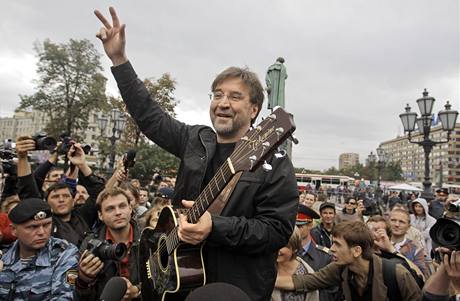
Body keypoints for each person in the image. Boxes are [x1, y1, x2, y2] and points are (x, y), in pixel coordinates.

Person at [94, 7, 298, 301]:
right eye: (217, 94)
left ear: (255, 110)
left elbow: (276, 231)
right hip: (176, 283)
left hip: (236, 289)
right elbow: (149, 116)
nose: (223, 103)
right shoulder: (195, 139)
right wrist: (119, 60)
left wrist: (215, 226)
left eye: (235, 96)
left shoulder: (273, 162)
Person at [275, 220, 422, 301]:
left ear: (357, 251)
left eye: (337, 244)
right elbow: (306, 281)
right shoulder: (340, 268)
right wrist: (264, 281)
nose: (331, 249)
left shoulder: (396, 274)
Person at [15, 137, 105, 247]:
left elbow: (100, 193)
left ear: (73, 200)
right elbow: (28, 191)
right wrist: (22, 158)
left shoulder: (83, 216)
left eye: (66, 196)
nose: (61, 200)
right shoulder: (45, 222)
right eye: (55, 197)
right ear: (46, 202)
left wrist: (82, 164)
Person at [0, 198, 79, 300]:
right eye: (33, 227)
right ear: (14, 230)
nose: (41, 232)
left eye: (46, 224)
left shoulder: (65, 253)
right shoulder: (4, 257)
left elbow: (65, 296)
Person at [73, 187, 141, 301]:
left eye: (122, 206)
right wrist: (83, 280)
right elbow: (75, 291)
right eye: (110, 209)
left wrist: (138, 291)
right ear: (100, 215)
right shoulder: (90, 243)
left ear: (130, 208)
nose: (118, 212)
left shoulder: (147, 237)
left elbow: (162, 281)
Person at [296, 204, 339, 301]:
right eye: (293, 225)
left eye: (299, 226)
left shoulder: (326, 257)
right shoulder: (283, 254)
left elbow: (332, 291)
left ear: (310, 225)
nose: (295, 230)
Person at [272, 227, 319, 301]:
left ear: (294, 249)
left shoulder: (307, 273)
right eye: (276, 243)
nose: (278, 250)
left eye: (284, 246)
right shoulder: (266, 268)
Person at [389, 208, 428, 276]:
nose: (397, 224)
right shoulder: (379, 243)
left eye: (402, 222)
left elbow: (421, 274)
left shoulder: (416, 248)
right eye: (393, 220)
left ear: (408, 227)